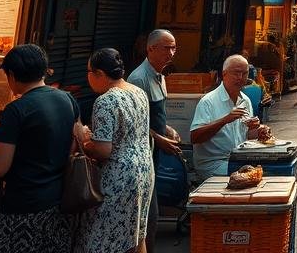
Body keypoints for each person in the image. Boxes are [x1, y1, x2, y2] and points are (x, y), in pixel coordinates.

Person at [0, 44, 79, 253]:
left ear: (12, 75)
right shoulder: (67, 99)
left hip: (22, 208)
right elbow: (73, 144)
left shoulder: (16, 109)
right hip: (57, 203)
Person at [75, 48, 154, 253]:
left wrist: (84, 140)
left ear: (100, 74)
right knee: (136, 234)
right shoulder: (138, 92)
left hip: (118, 177)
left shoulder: (106, 100)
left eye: (89, 72)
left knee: (101, 239)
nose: (88, 77)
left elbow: (103, 150)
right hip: (143, 171)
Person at [126, 30, 180, 251]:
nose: (171, 53)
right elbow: (136, 123)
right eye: (166, 48)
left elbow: (154, 116)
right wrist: (160, 140)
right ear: (150, 49)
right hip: (143, 153)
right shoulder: (138, 79)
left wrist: (167, 129)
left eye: (173, 47)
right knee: (149, 214)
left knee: (152, 213)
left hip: (155, 150)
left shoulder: (161, 76)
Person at [190, 56, 268, 185]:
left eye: (244, 73)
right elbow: (195, 137)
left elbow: (245, 135)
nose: (240, 78)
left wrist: (258, 130)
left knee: (269, 169)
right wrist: (224, 120)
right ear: (224, 74)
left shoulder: (245, 100)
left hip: (236, 160)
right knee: (256, 177)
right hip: (213, 164)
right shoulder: (208, 101)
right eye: (236, 73)